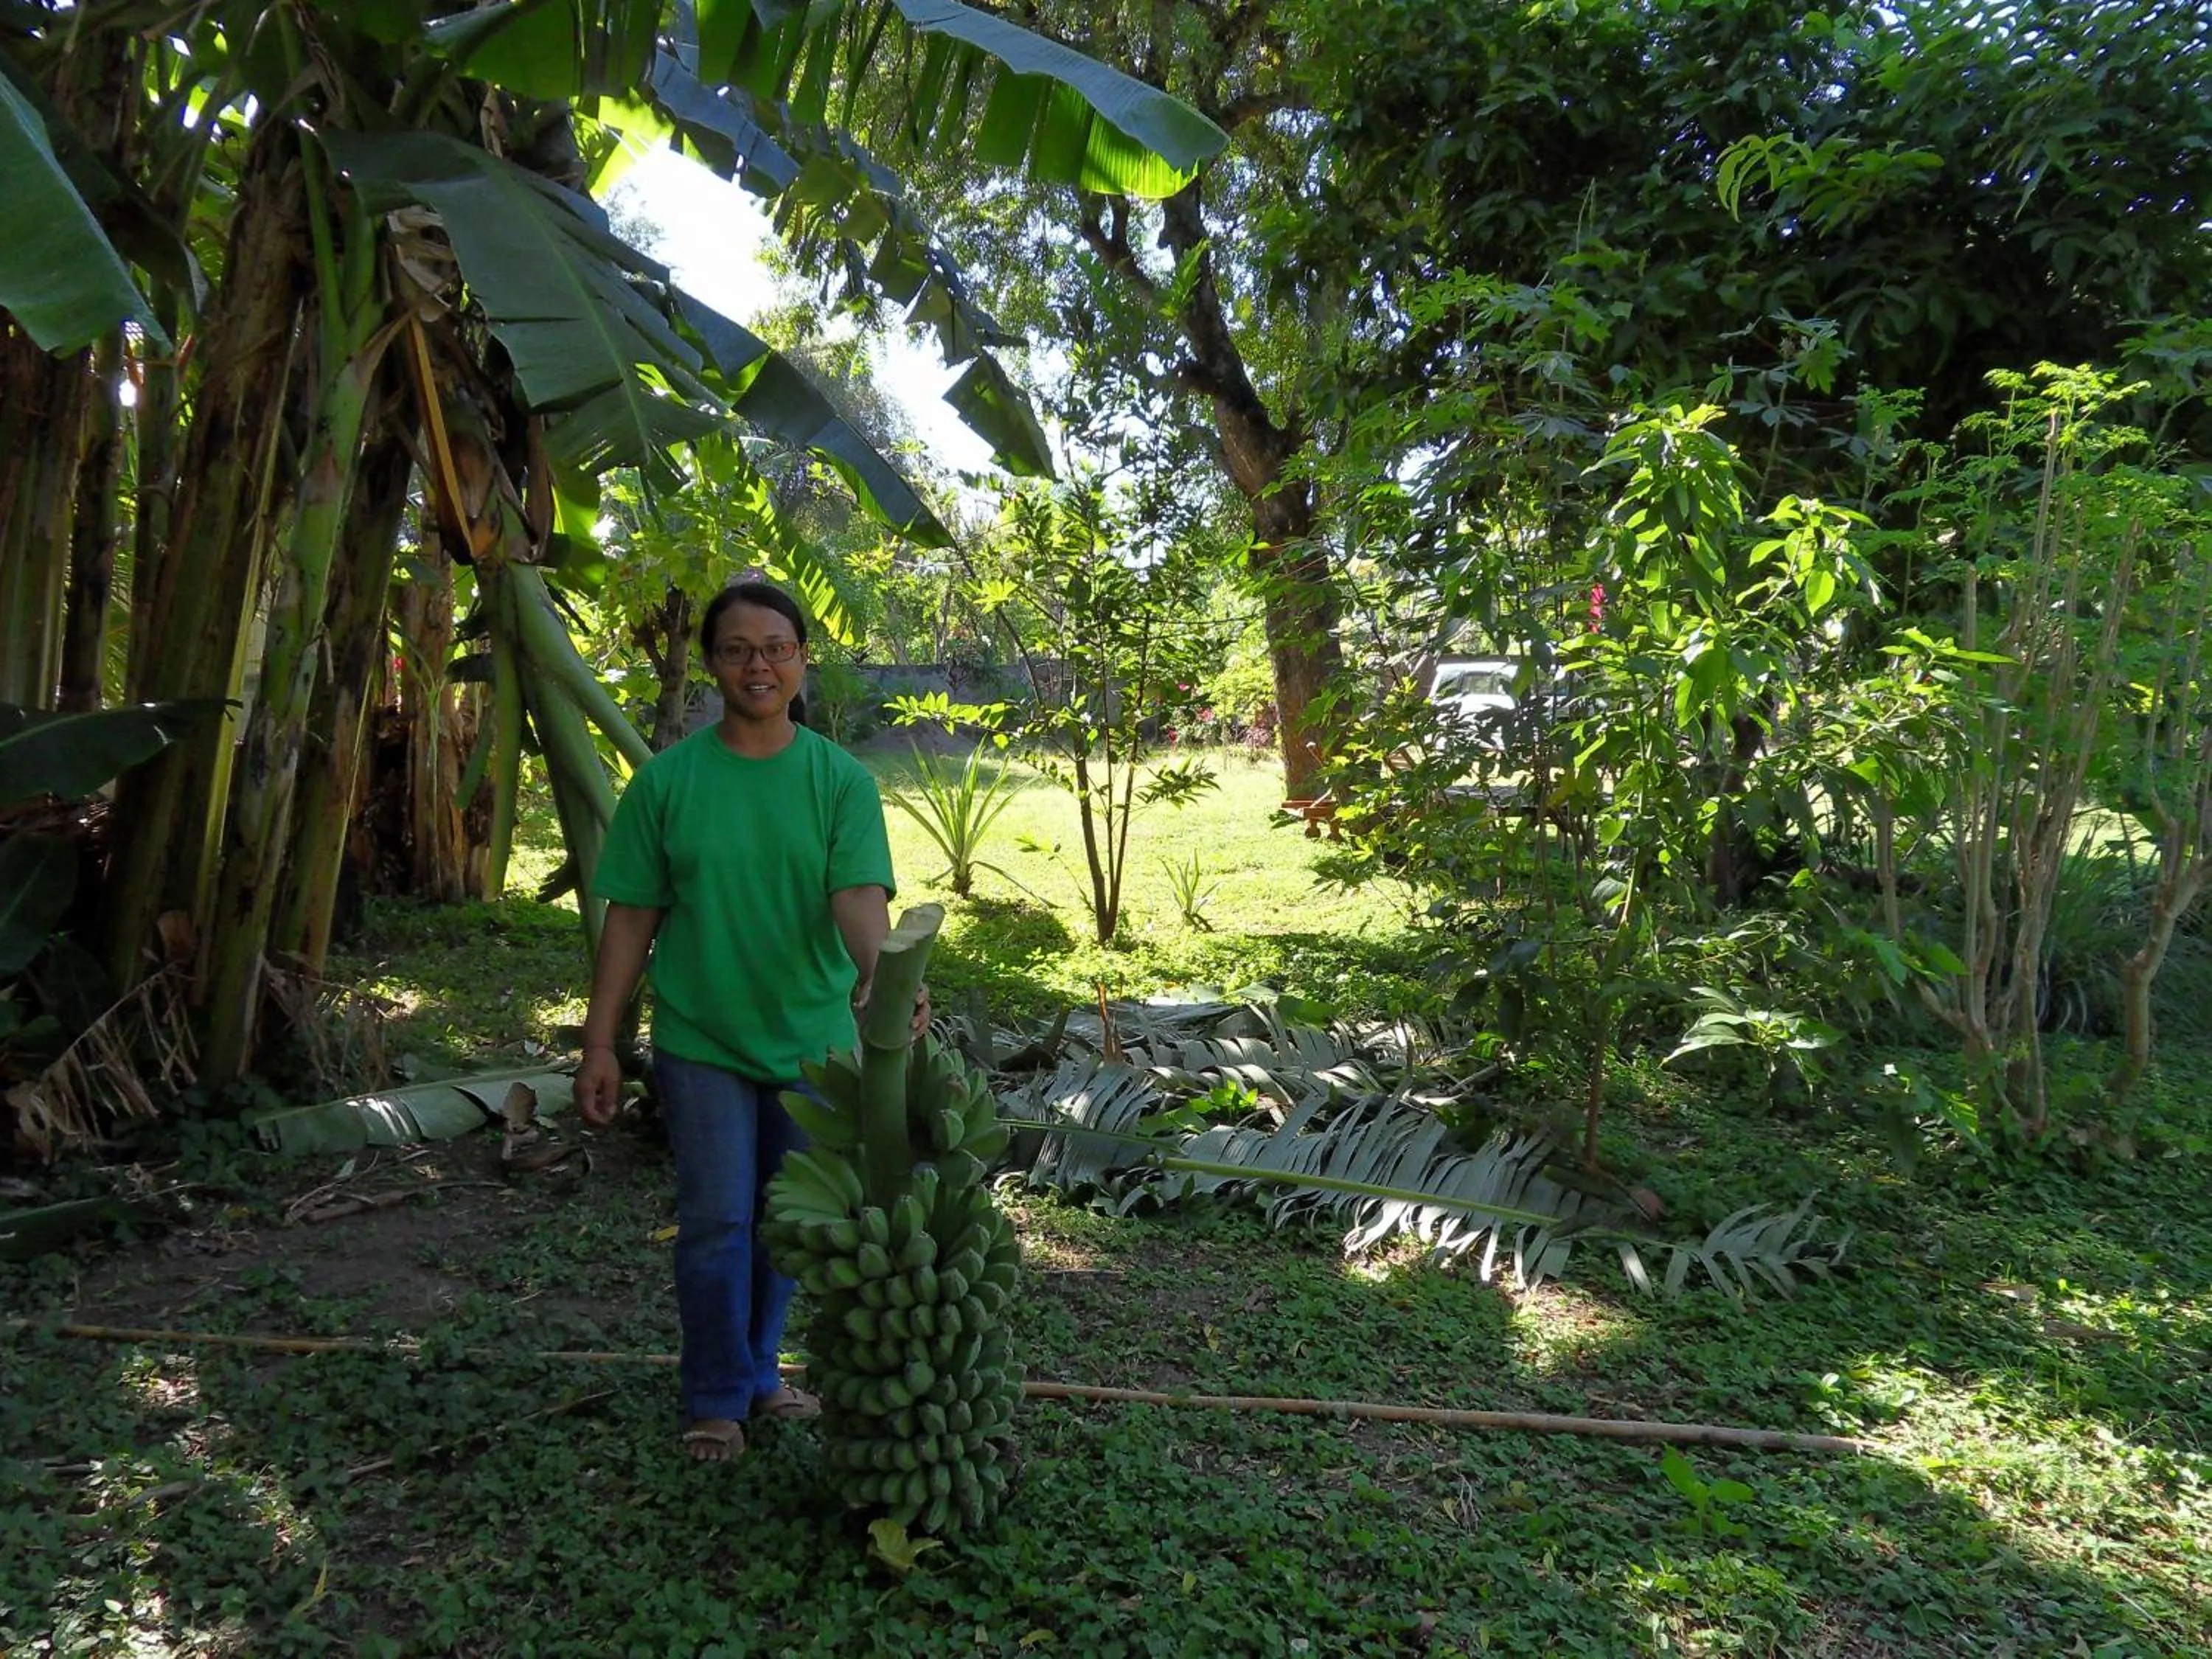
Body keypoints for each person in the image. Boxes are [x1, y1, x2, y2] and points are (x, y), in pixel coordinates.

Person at [576, 580, 927, 1461]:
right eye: (738, 649)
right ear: (713, 665)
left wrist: (885, 979)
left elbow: (856, 897)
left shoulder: (838, 780)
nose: (758, 664)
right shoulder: (667, 783)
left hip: (811, 1039)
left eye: (776, 646)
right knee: (716, 1221)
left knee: (788, 1223)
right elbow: (632, 917)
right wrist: (599, 1042)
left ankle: (762, 1373)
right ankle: (714, 1396)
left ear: (802, 658)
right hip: (703, 1039)